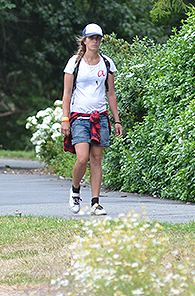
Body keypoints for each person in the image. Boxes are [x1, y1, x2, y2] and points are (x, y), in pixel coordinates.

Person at [60, 23, 123, 216]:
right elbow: (67, 93)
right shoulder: (75, 63)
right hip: (79, 116)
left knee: (96, 159)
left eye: (98, 38)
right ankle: (75, 190)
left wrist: (117, 120)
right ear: (84, 40)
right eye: (91, 38)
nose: (95, 41)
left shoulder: (106, 63)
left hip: (100, 116)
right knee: (82, 158)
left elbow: (110, 94)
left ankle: (95, 202)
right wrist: (65, 118)